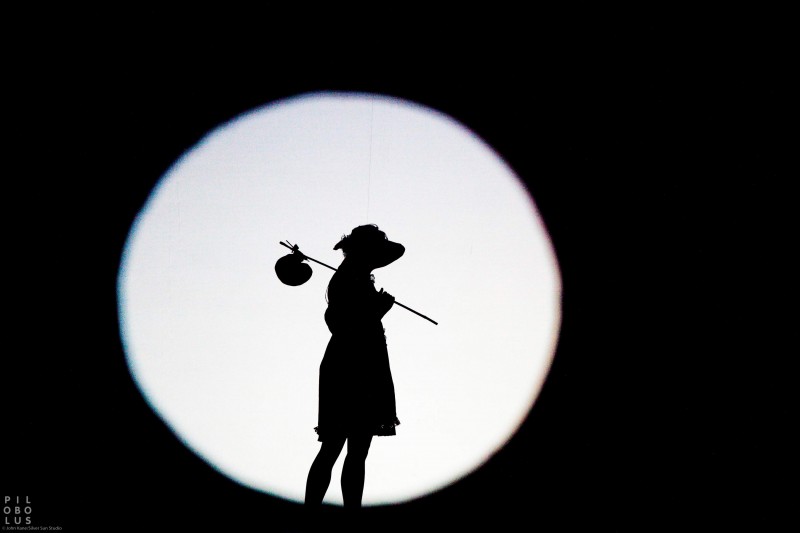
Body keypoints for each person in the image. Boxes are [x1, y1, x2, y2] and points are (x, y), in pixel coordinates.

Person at [304, 224, 404, 510]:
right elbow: (343, 326)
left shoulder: (355, 275)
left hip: (363, 364)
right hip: (352, 365)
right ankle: (318, 512)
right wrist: (379, 309)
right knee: (337, 447)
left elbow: (398, 251)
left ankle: (346, 514)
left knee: (353, 449)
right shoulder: (347, 279)